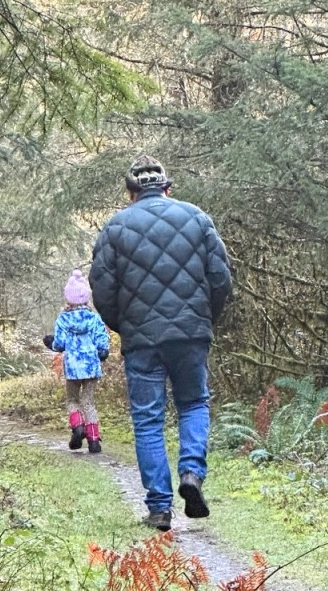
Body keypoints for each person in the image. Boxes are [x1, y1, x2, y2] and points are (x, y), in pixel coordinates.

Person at [89, 157, 232, 531]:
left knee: (148, 419)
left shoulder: (115, 227)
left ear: (131, 193)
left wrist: (126, 326)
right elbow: (221, 278)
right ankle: (191, 474)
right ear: (168, 188)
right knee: (193, 402)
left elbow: (102, 290)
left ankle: (159, 508)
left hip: (142, 340)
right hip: (191, 334)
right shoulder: (197, 218)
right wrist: (203, 319)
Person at [43, 269, 111, 453]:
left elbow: (60, 343)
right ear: (87, 298)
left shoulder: (64, 319)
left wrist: (51, 343)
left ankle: (77, 427)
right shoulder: (94, 318)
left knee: (72, 399)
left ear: (68, 298)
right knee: (88, 402)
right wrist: (103, 352)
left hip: (73, 367)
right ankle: (94, 441)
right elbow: (102, 341)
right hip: (91, 366)